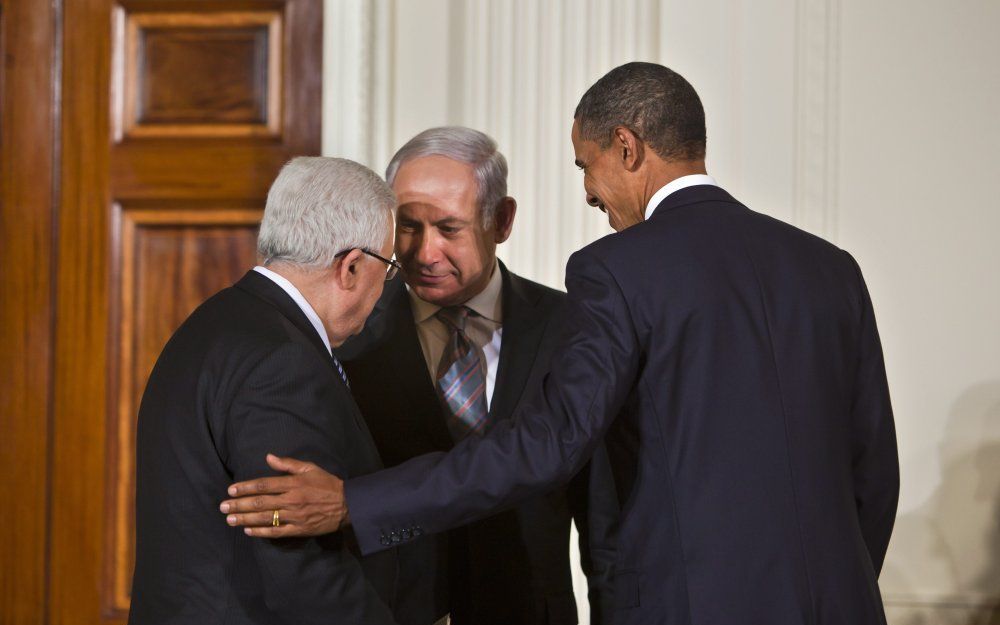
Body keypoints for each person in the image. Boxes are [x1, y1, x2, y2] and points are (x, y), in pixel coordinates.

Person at [221, 63, 900, 624]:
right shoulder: (831, 267)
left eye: (588, 164)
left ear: (627, 148)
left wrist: (356, 503)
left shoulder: (618, 268)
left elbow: (548, 441)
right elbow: (873, 471)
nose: (588, 191)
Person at [129, 157, 401, 625]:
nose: (387, 286)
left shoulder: (217, 320)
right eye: (389, 267)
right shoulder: (282, 361)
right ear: (352, 267)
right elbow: (300, 567)